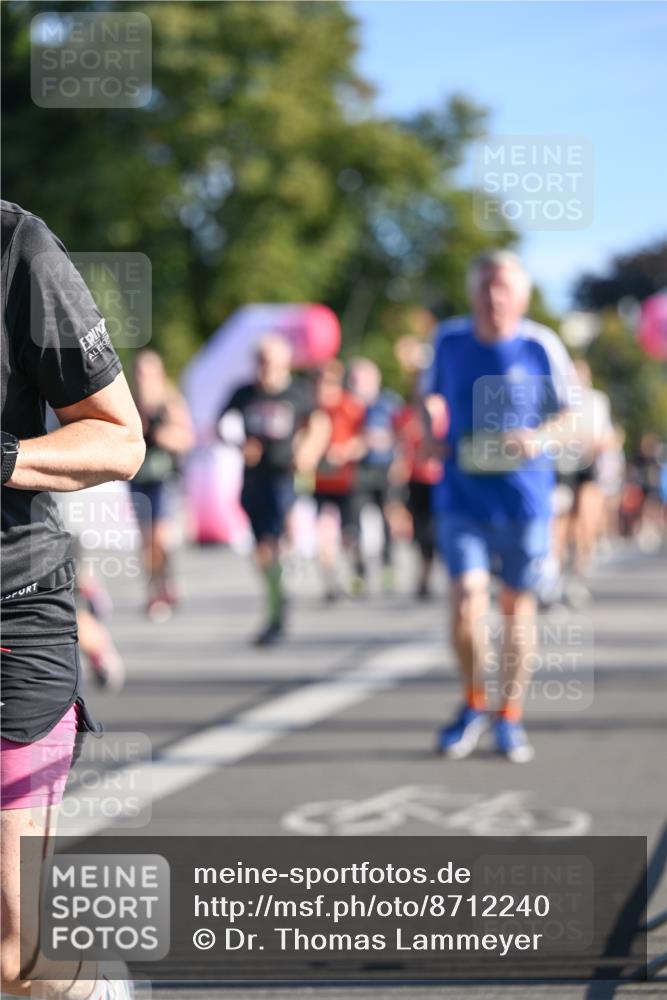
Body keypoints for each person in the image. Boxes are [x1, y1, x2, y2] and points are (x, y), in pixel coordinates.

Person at [1, 201, 145, 998]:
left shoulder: (15, 248)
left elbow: (120, 439)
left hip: (10, 610)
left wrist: (4, 458)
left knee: (15, 950)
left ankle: (90, 987)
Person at [426, 250, 579, 763]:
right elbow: (428, 398)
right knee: (467, 600)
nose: (494, 296)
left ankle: (509, 716)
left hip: (523, 499)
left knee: (516, 608)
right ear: (472, 292)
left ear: (522, 296)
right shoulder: (448, 340)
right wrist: (429, 425)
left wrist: (538, 438)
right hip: (462, 494)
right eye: (486, 285)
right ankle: (474, 701)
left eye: (504, 287)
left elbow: (574, 416)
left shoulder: (540, 344)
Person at [218, 333, 329, 645]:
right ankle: (279, 588)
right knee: (262, 550)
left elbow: (319, 424)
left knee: (274, 537)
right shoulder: (243, 393)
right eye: (259, 361)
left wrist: (308, 451)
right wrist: (239, 444)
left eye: (269, 361)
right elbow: (218, 425)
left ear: (284, 363)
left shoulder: (298, 392)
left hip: (285, 475)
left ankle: (278, 607)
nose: (263, 368)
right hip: (254, 478)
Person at [129, 348, 195, 620]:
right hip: (139, 478)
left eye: (149, 373)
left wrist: (163, 435)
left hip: (164, 478)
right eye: (140, 373)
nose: (144, 379)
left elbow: (187, 438)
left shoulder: (170, 402)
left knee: (161, 538)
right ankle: (154, 591)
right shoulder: (130, 403)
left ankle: (166, 583)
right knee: (146, 542)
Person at [393, 335, 447, 600]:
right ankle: (424, 574)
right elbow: (403, 443)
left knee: (440, 528)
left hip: (441, 477)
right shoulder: (408, 412)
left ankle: (436, 574)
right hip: (417, 477)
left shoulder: (443, 408)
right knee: (422, 529)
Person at [312, 360, 367, 601]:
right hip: (319, 483)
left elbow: (364, 441)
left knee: (350, 535)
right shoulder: (311, 409)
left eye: (330, 381)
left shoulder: (350, 407)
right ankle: (329, 583)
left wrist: (344, 451)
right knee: (323, 533)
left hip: (346, 482)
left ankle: (357, 571)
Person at [347, 358, 401, 593]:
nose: (357, 384)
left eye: (362, 379)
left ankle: (388, 565)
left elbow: (403, 434)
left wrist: (383, 444)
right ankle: (358, 572)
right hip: (357, 471)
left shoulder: (389, 403)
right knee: (353, 523)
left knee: (388, 519)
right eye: (354, 380)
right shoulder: (347, 405)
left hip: (384, 469)